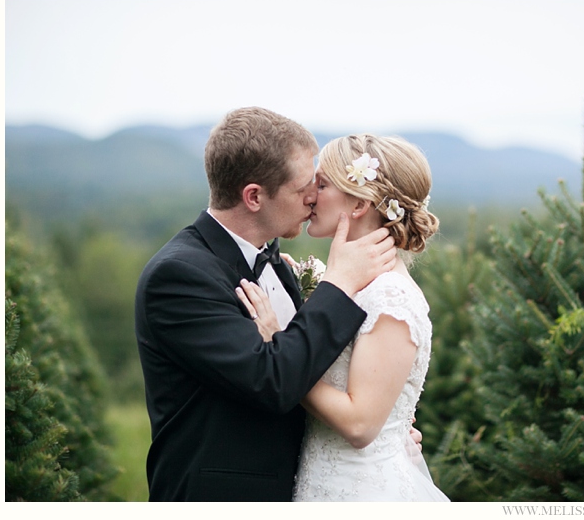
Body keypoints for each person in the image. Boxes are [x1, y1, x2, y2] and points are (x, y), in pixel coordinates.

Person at [134, 107, 401, 501]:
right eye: (301, 189)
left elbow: (308, 360)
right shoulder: (178, 277)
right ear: (254, 196)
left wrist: (388, 426)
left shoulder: (274, 258)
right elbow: (273, 381)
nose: (314, 198)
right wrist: (339, 284)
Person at [237, 134, 450, 501]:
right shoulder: (341, 284)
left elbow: (360, 424)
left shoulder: (391, 296)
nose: (310, 194)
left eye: (322, 184)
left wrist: (278, 344)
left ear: (358, 203)